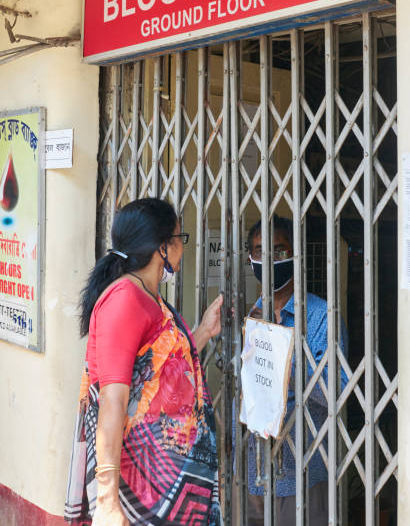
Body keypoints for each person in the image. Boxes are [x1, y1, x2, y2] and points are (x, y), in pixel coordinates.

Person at [64, 198, 223, 526]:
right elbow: (113, 397)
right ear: (163, 247)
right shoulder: (124, 299)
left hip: (168, 479)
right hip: (141, 482)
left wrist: (204, 331)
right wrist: (108, 502)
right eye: (181, 238)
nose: (183, 247)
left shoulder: (147, 296)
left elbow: (159, 365)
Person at [233, 215, 348, 525]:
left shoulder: (322, 315)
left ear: (295, 254)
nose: (268, 258)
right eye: (259, 251)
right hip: (252, 470)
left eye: (278, 250)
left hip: (302, 472)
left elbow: (337, 392)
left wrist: (283, 350)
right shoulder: (251, 314)